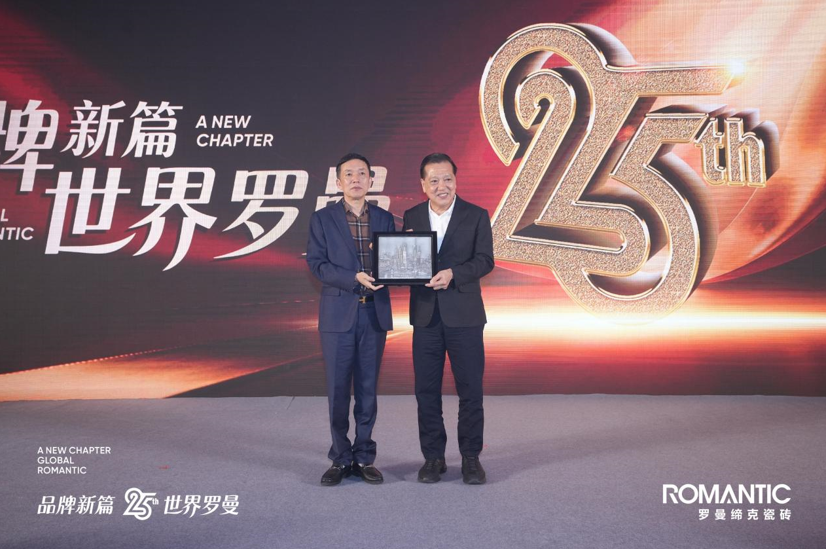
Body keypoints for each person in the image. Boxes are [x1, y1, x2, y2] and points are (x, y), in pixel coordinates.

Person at [402, 152, 494, 484]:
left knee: (470, 390)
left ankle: (470, 458)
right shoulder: (411, 215)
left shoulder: (476, 215)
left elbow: (485, 260)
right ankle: (433, 458)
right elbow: (406, 258)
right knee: (426, 391)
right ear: (423, 184)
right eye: (434, 180)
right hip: (425, 316)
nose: (442, 186)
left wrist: (454, 273)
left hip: (465, 316)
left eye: (448, 179)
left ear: (456, 180)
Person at [306, 153, 395, 486]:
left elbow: (395, 259)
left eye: (362, 173)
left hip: (374, 313)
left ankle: (364, 457)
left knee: (368, 390)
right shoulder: (322, 219)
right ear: (338, 181)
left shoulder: (385, 218)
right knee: (338, 389)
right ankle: (341, 458)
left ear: (371, 180)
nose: (356, 179)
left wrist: (397, 273)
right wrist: (352, 278)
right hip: (338, 315)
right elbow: (317, 265)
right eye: (349, 174)